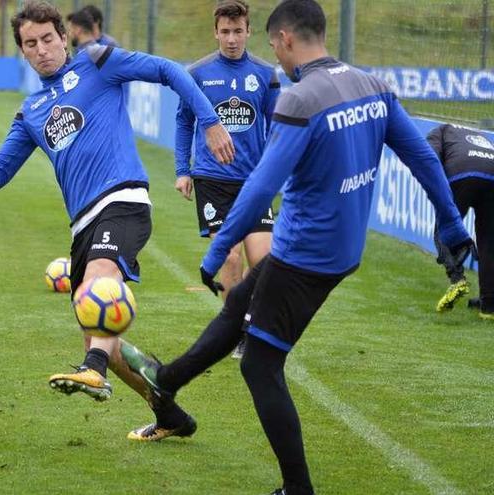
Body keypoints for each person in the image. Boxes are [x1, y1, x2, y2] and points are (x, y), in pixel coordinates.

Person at [121, 1, 474, 493]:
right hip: (343, 249)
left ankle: (296, 488)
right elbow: (422, 158)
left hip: (305, 254)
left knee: (260, 364)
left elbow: (262, 188)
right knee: (240, 302)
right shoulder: (373, 84)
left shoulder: (301, 98)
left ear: (285, 39)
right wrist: (453, 227)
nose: (276, 58)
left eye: (271, 44)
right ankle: (168, 381)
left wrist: (215, 248)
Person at [0, 0, 234, 441]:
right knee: (106, 340)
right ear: (23, 52)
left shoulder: (99, 62)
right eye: (31, 43)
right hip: (82, 225)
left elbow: (169, 71)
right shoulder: (30, 112)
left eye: (48, 38)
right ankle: (170, 415)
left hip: (123, 200)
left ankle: (91, 370)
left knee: (101, 291)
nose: (42, 48)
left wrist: (211, 120)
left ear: (64, 38)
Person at [175, 0, 279, 358]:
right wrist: (181, 170)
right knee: (231, 258)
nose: (232, 39)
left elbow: (278, 128)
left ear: (249, 31)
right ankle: (235, 331)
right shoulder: (198, 73)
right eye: (225, 32)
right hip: (213, 179)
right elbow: (183, 122)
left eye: (238, 31)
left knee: (263, 263)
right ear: (215, 32)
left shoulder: (267, 74)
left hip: (255, 183)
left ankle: (254, 325)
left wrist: (277, 170)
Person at [427, 123, 493, 318]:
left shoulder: (438, 131)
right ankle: (489, 307)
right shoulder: (479, 134)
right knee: (489, 242)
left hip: (461, 174)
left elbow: (428, 159)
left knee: (442, 230)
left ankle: (457, 279)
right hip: (492, 177)